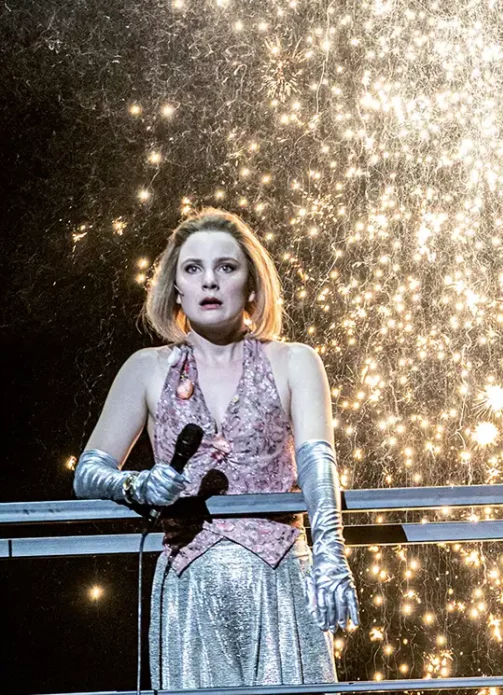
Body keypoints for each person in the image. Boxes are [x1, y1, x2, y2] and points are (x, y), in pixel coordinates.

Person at [72, 208, 359, 687]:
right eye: (193, 268)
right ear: (175, 288)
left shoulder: (294, 361)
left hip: (282, 576)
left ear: (251, 285)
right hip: (190, 584)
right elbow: (88, 471)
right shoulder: (147, 368)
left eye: (226, 267)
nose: (209, 281)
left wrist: (331, 553)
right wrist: (138, 484)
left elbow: (317, 461)